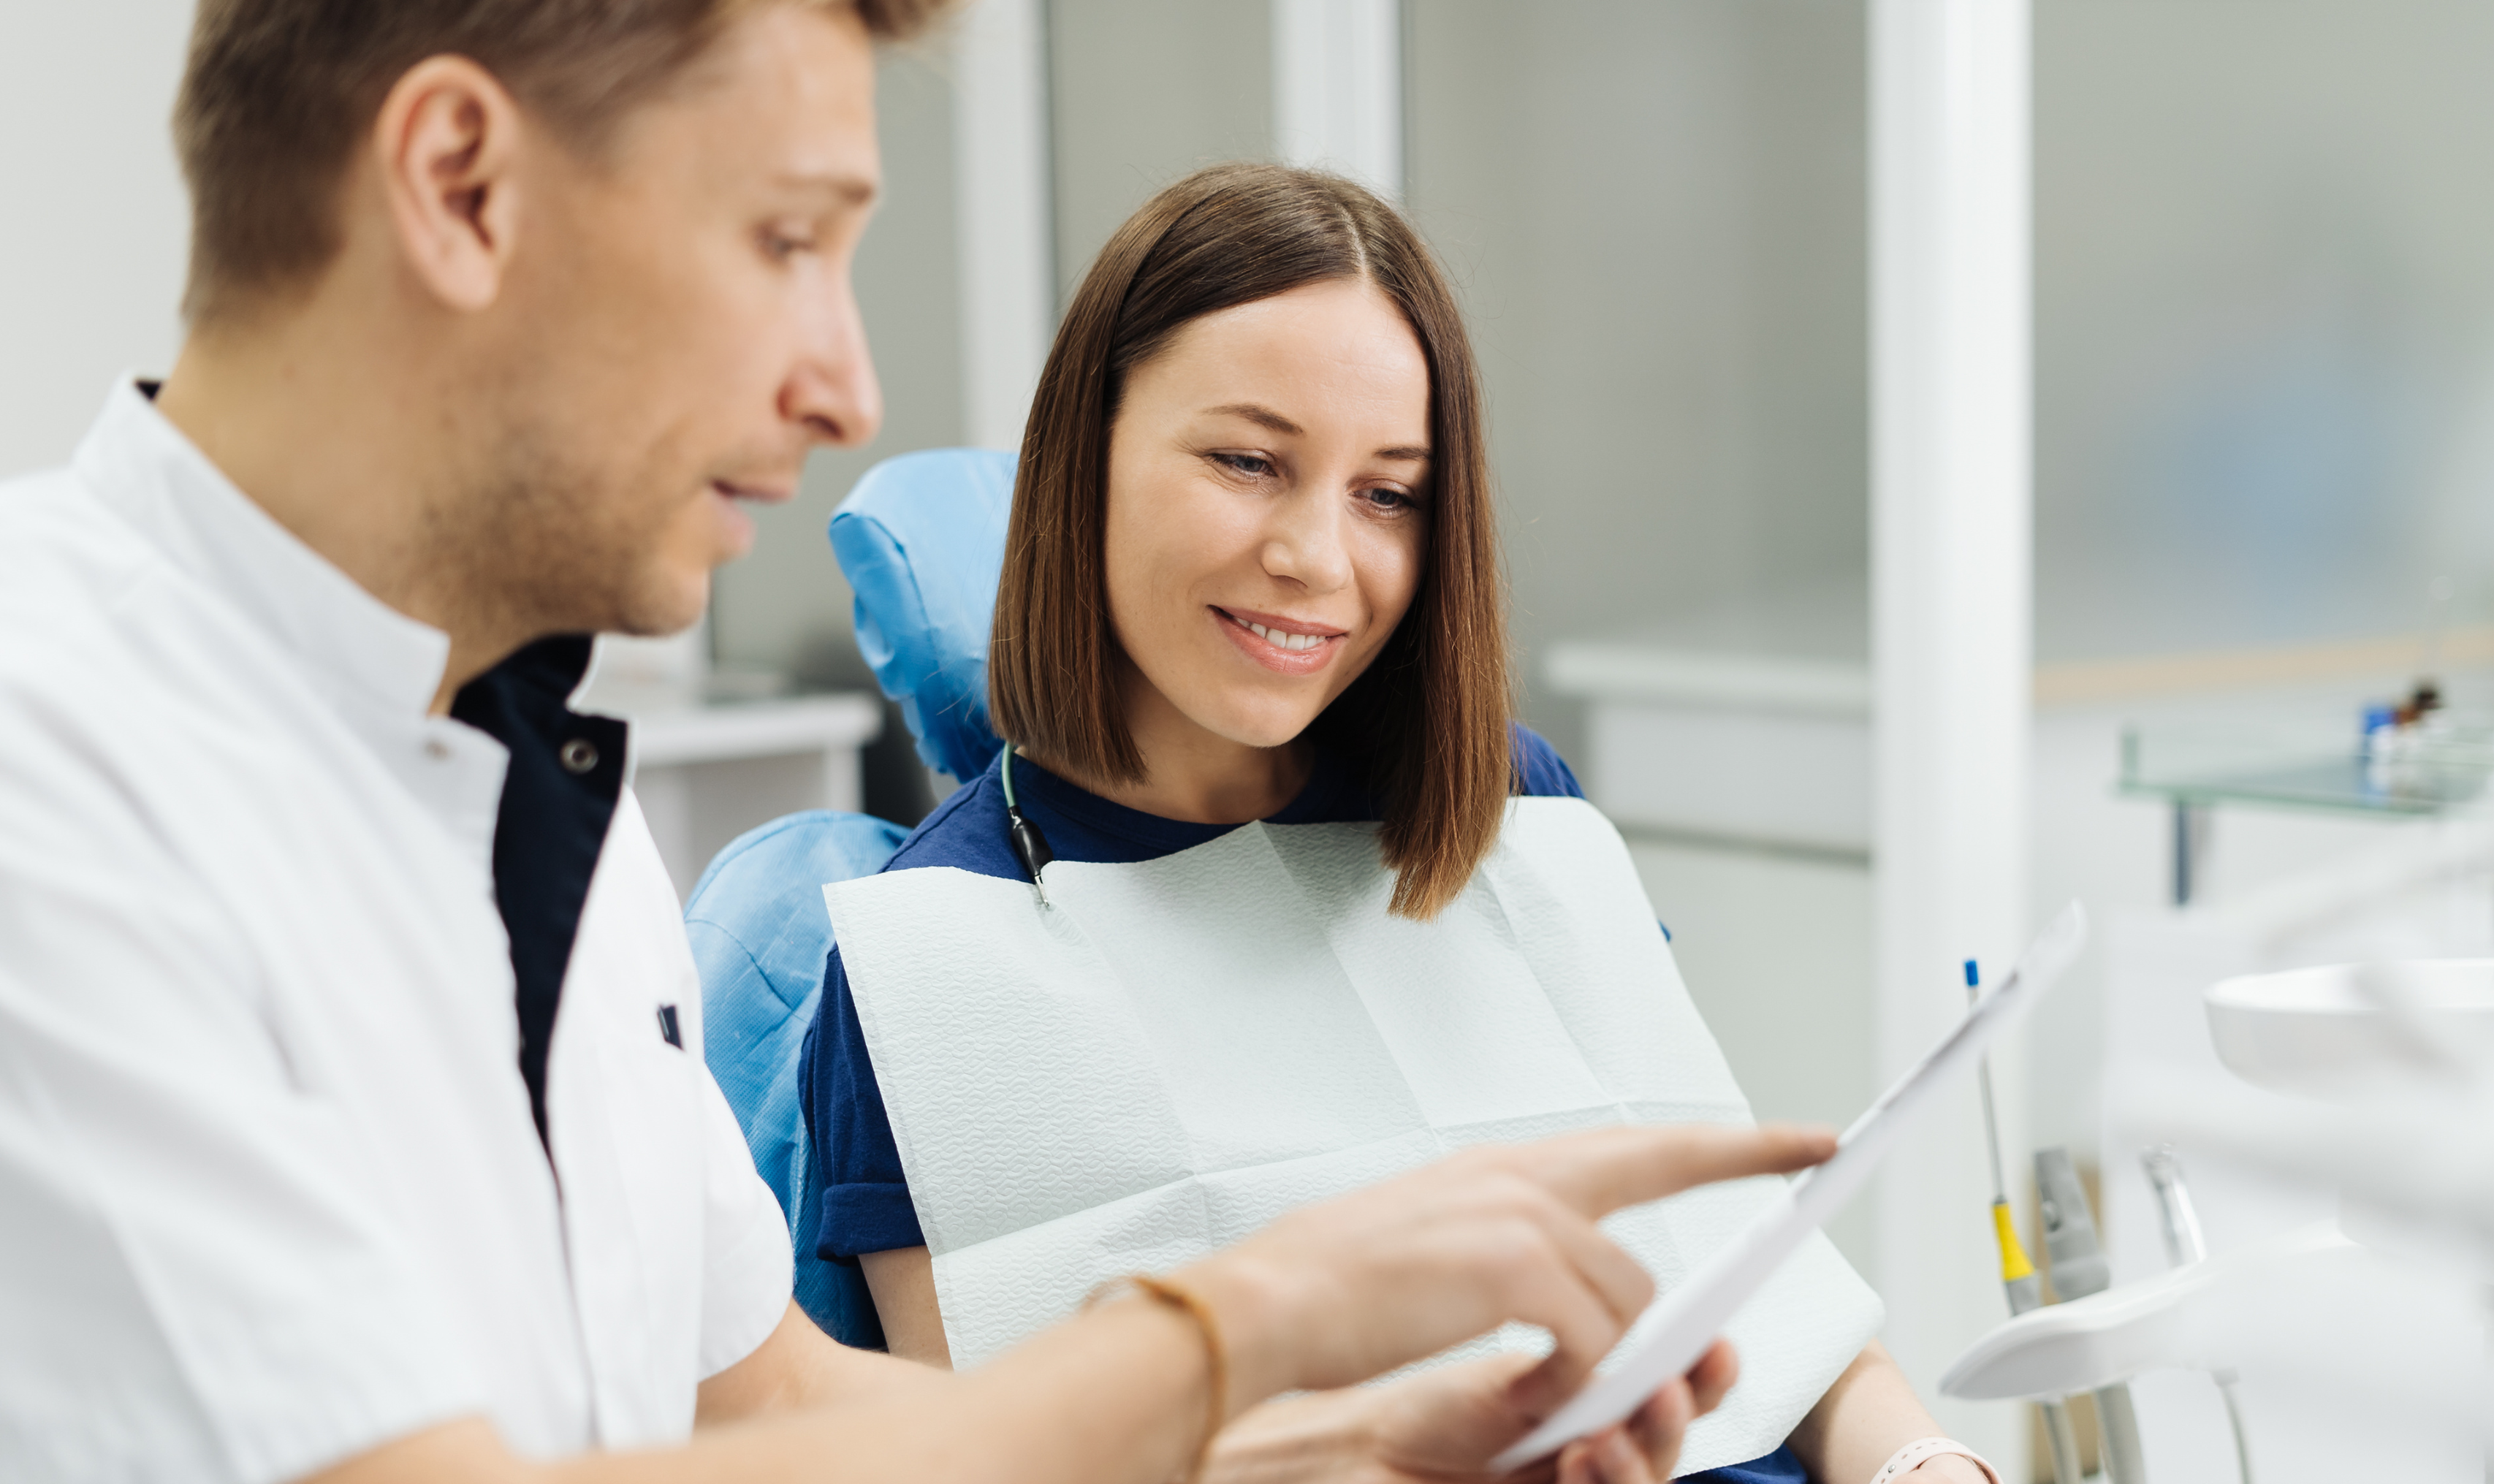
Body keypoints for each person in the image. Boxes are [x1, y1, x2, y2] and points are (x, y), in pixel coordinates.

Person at [0, 3, 1841, 1482]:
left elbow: (779, 1413)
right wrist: (1253, 1318)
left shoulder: (533, 789)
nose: (848, 386)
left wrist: (1336, 1438)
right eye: (786, 240)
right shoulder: (53, 761)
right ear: (463, 186)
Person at [803, 164, 2002, 1484]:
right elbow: (975, 1453)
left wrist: (1929, 1465)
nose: (1319, 556)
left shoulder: (1511, 807)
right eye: (1250, 461)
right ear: (1081, 454)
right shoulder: (927, 968)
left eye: (1389, 493)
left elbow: (1773, 1310)